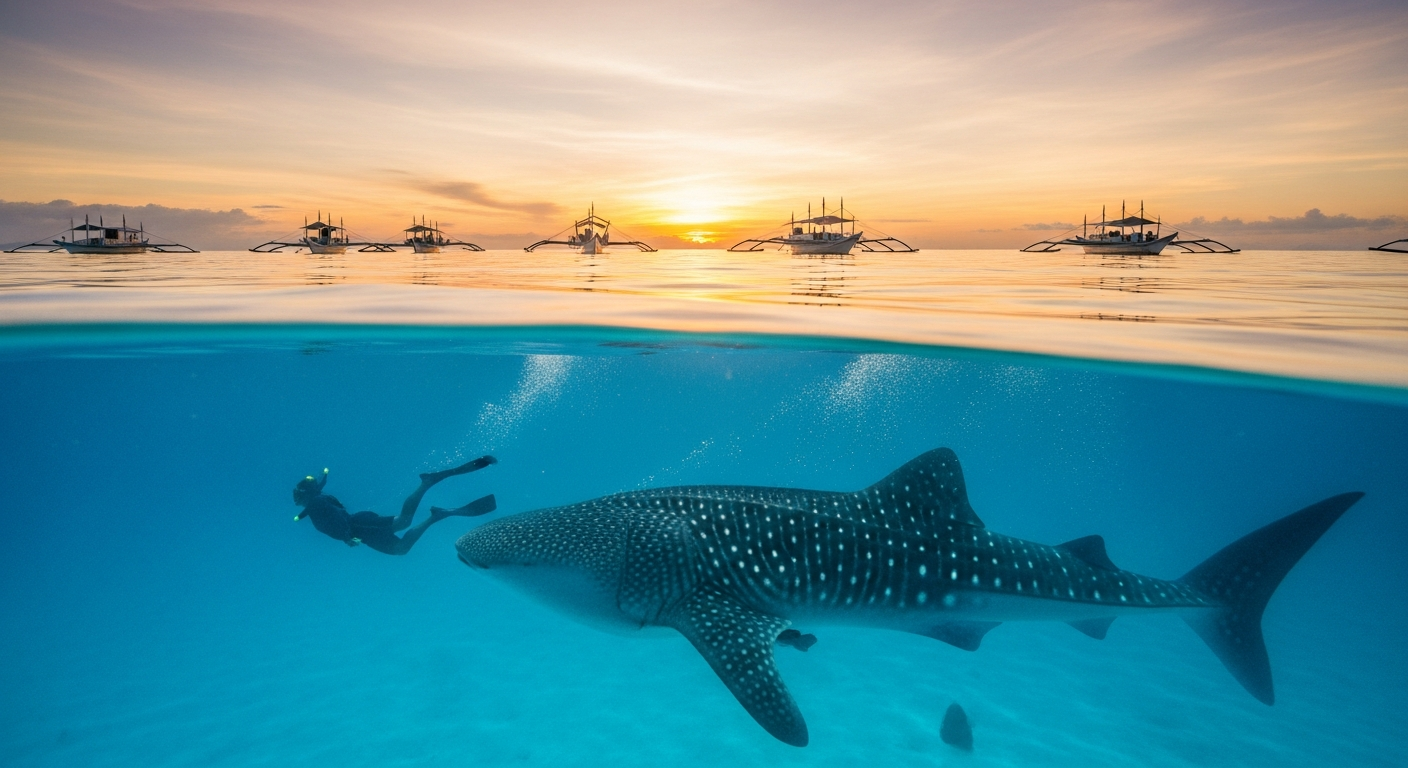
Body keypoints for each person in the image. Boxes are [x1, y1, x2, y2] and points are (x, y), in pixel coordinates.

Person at [293, 456, 497, 555]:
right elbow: (322, 487)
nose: (296, 498)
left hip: (359, 525)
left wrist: (346, 537)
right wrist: (324, 475)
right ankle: (437, 515)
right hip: (361, 532)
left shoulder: (316, 503)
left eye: (298, 494)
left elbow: (336, 517)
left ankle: (426, 483)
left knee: (403, 521)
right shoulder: (314, 503)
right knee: (401, 549)